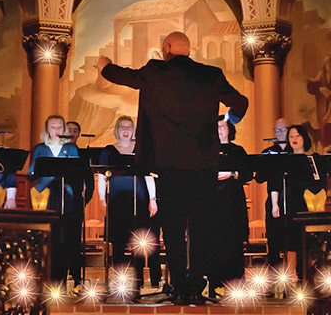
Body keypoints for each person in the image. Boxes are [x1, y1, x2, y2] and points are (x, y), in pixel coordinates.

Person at [97, 31, 248, 304]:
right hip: (203, 167)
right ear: (187, 49)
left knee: (174, 230)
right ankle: (197, 287)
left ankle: (180, 287)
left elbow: (125, 76)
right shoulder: (211, 74)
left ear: (166, 48)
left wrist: (104, 66)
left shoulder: (156, 71)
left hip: (168, 166)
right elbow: (240, 103)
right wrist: (228, 119)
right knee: (202, 228)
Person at [97, 116, 160, 293]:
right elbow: (102, 176)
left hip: (138, 202)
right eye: (122, 127)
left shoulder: (140, 150)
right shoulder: (108, 151)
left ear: (133, 131)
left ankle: (138, 281)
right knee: (118, 243)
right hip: (116, 202)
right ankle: (119, 280)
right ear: (117, 130)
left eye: (129, 127)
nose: (126, 130)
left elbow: (148, 176)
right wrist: (102, 199)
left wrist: (152, 199)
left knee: (138, 242)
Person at [29, 115, 90, 290]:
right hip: (47, 199)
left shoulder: (71, 148)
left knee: (69, 241)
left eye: (60, 127)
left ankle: (69, 280)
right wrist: (52, 174)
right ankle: (51, 280)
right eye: (53, 127)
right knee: (51, 240)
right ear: (47, 129)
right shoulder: (40, 149)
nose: (57, 130)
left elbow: (76, 173)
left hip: (67, 199)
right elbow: (32, 173)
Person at [267, 125, 320, 265]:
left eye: (297, 136)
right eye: (291, 136)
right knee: (289, 240)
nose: (294, 139)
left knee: (306, 240)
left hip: (306, 202)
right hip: (288, 203)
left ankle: (305, 274)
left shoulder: (312, 159)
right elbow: (275, 183)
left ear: (304, 137)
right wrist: (274, 204)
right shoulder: (283, 160)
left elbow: (319, 183)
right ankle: (290, 276)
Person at [207, 117, 249, 295]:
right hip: (212, 203)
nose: (219, 129)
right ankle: (214, 283)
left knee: (234, 241)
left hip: (233, 203)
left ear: (229, 129)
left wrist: (231, 174)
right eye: (216, 126)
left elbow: (248, 173)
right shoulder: (206, 151)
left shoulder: (238, 151)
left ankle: (236, 284)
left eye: (222, 126)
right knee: (213, 242)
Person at [255, 118, 288, 267]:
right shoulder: (268, 152)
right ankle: (273, 280)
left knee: (292, 239)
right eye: (277, 130)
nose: (280, 133)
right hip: (273, 201)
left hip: (292, 198)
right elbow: (259, 178)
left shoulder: (293, 151)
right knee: (274, 240)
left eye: (283, 129)